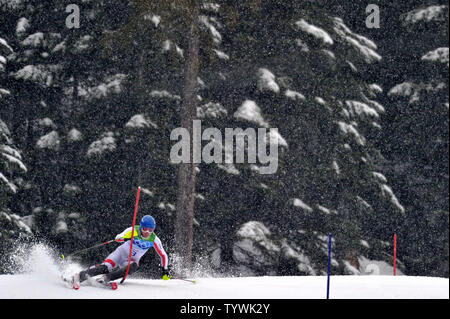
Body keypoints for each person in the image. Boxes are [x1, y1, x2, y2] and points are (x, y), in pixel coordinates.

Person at [72, 215, 171, 285]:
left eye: (150, 230)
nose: (147, 232)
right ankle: (80, 275)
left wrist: (164, 269)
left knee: (133, 266)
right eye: (145, 229)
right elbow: (118, 237)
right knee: (105, 268)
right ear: (141, 227)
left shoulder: (154, 239)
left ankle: (107, 278)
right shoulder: (133, 230)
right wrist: (123, 238)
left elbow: (163, 255)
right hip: (120, 254)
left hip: (129, 261)